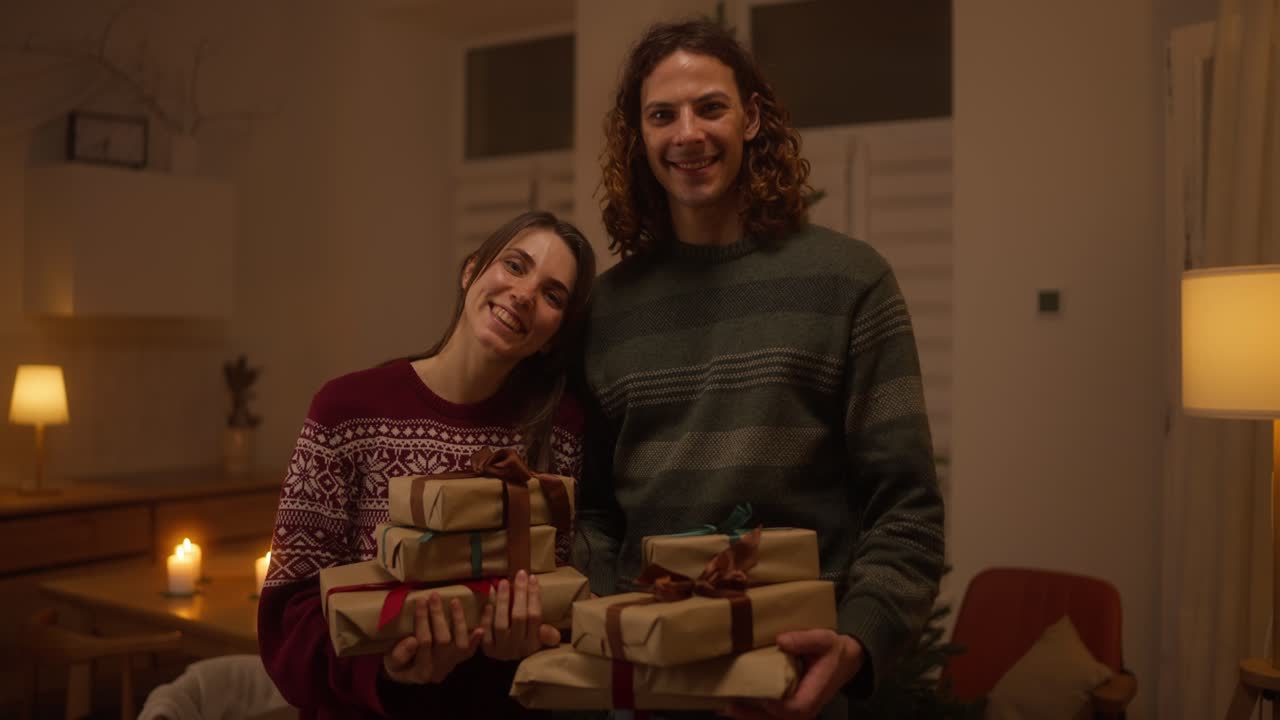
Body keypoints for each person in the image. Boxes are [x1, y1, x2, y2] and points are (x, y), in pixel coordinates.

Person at [575, 19, 945, 720]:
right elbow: (590, 509)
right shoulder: (608, 308)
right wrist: (604, 609)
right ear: (639, 135)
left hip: (794, 676)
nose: (687, 133)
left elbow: (906, 510)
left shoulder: (850, 281)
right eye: (662, 115)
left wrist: (857, 642)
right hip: (639, 677)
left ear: (751, 118)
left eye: (710, 106)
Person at [258, 211, 596, 719]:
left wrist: (521, 652)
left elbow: (556, 609)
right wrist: (389, 672)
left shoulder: (559, 430)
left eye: (552, 295)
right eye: (515, 265)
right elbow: (288, 619)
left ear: (553, 336)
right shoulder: (347, 410)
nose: (525, 294)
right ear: (471, 271)